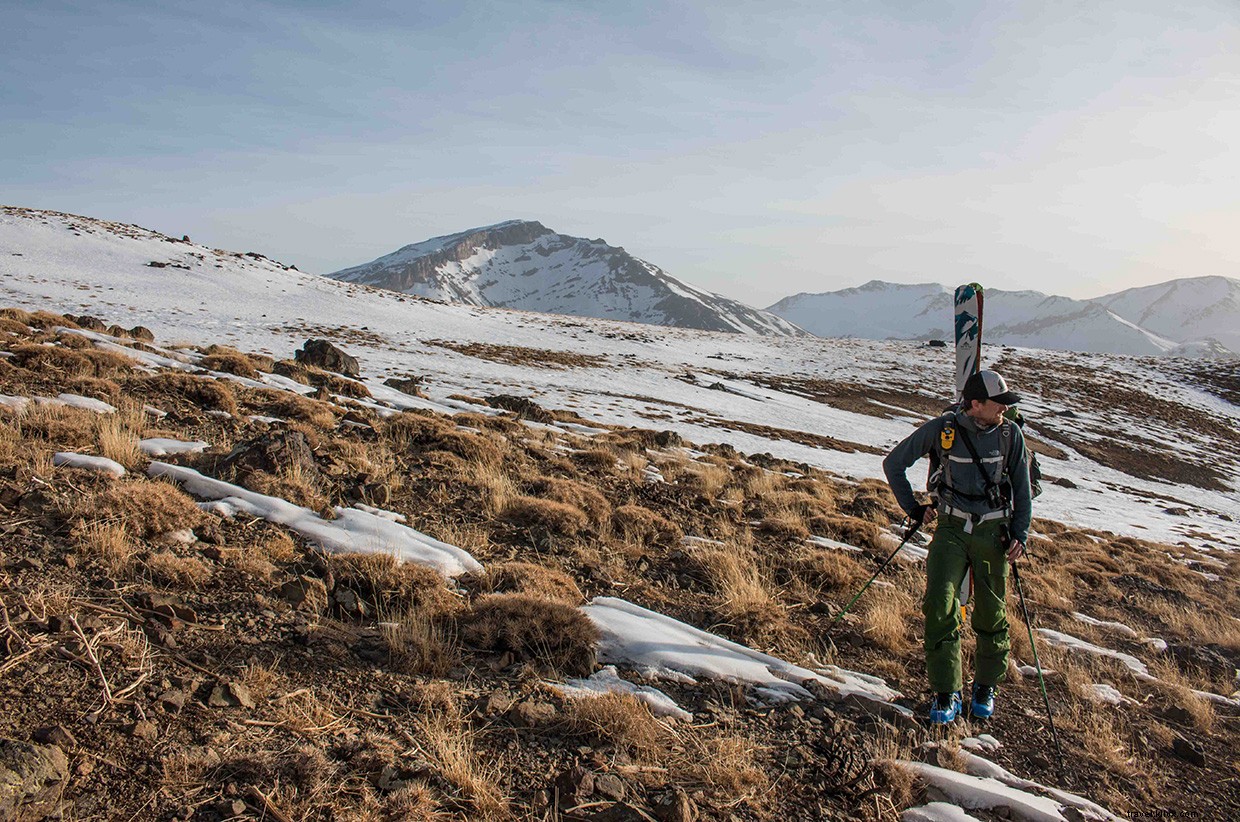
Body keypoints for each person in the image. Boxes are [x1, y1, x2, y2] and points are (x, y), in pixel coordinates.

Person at [882, 369, 1032, 723]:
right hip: (950, 529)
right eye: (998, 405)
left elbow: (1023, 489)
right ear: (975, 404)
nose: (1004, 411)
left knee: (991, 612)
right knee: (939, 605)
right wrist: (915, 509)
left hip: (994, 533)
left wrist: (1020, 534)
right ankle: (945, 692)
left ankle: (984, 687)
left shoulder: (1012, 435)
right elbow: (894, 464)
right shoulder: (942, 430)